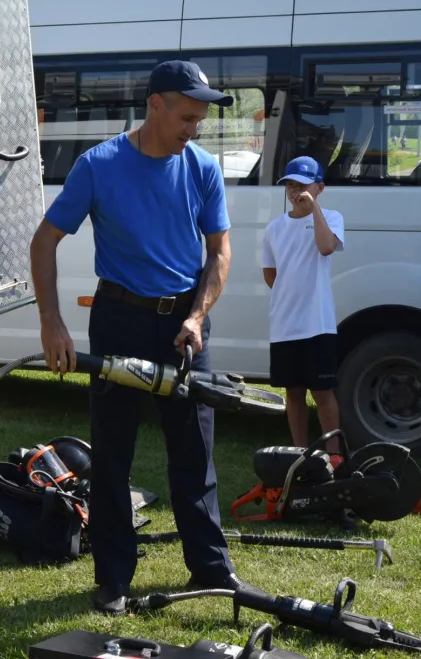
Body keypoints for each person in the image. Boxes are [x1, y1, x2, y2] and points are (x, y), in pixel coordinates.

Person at [30, 60, 254, 615]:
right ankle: (113, 579)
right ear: (154, 105)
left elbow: (220, 252)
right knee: (112, 457)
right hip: (120, 318)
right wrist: (52, 323)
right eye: (186, 117)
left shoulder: (201, 168)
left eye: (200, 120)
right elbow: (44, 241)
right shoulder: (99, 165)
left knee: (194, 453)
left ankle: (212, 570)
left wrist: (198, 316)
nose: (193, 129)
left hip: (185, 325)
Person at [260, 156, 344, 456]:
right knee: (293, 394)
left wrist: (314, 210)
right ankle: (300, 455)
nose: (296, 192)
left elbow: (325, 247)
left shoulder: (331, 217)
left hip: (317, 323)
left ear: (320, 187)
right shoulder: (274, 228)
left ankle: (334, 456)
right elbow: (270, 273)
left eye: (303, 185)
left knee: (323, 393)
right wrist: (288, 294)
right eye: (291, 185)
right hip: (284, 325)